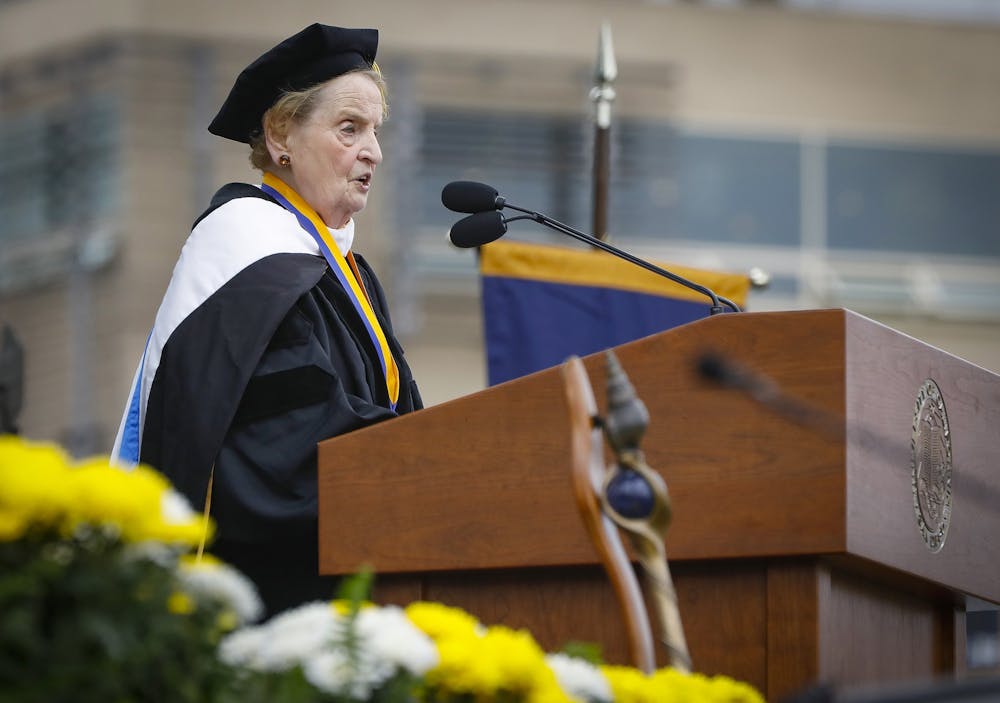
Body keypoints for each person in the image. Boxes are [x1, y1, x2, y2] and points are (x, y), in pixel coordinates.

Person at [111, 24, 422, 616]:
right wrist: (428, 464)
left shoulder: (342, 269)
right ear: (281, 133)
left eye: (376, 131)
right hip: (271, 598)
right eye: (349, 128)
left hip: (354, 582)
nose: (374, 152)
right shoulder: (247, 251)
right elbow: (287, 440)